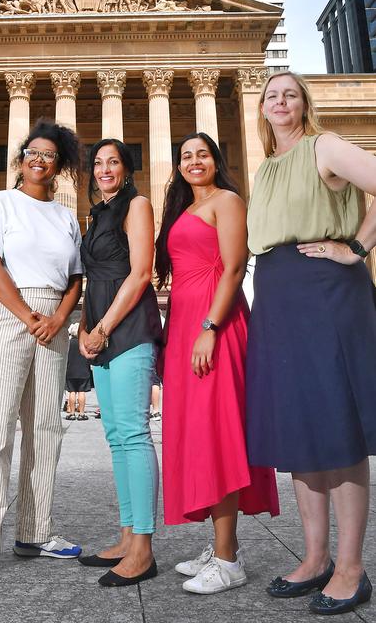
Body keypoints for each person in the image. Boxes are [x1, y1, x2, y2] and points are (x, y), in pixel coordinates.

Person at [246, 71, 376, 616]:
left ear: (304, 103)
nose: (280, 101)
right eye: (272, 94)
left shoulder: (325, 145)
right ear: (263, 108)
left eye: (290, 94)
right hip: (279, 295)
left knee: (336, 424)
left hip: (326, 290)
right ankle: (315, 558)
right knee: (299, 424)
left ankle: (350, 567)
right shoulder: (268, 167)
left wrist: (358, 248)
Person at [0, 119, 83, 583]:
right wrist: (28, 315)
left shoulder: (66, 215)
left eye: (49, 154)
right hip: (8, 309)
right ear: (21, 157)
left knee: (46, 427)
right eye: (32, 151)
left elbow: (75, 277)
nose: (39, 159)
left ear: (59, 165)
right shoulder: (0, 202)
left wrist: (58, 317)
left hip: (53, 316)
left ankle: (35, 530)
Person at [155, 132, 279, 595]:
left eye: (202, 154)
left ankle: (228, 560)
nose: (194, 161)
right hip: (188, 324)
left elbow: (232, 266)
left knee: (219, 435)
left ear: (216, 159)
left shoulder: (227, 200)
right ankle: (220, 545)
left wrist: (209, 326)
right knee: (201, 435)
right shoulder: (184, 209)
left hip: (216, 325)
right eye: (185, 156)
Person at [77, 138, 162, 588]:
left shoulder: (138, 204)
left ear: (127, 169)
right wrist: (86, 331)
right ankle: (128, 536)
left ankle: (144, 549)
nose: (105, 169)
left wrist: (104, 327)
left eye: (113, 162)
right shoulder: (98, 213)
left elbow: (142, 272)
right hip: (100, 331)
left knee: (133, 433)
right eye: (99, 163)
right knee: (116, 437)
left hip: (127, 328)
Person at [65, 322, 91, 420]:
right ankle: (81, 413)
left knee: (71, 392)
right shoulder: (84, 343)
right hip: (83, 371)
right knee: (81, 392)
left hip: (70, 371)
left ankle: (71, 413)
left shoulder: (69, 343)